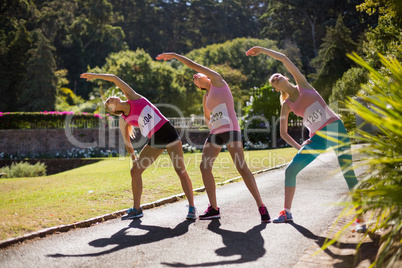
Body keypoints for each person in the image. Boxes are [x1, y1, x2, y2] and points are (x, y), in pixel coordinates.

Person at [246, 46, 366, 232]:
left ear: (285, 78)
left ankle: (361, 219)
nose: (276, 78)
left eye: (278, 76)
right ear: (276, 88)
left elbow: (284, 57)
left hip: (335, 129)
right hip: (316, 138)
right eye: (273, 81)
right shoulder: (287, 105)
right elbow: (283, 133)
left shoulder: (303, 85)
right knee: (290, 170)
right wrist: (299, 146)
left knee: (348, 174)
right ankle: (287, 212)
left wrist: (261, 49)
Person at [156, 53, 270, 223]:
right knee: (204, 166)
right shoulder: (206, 97)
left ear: (206, 77)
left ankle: (261, 206)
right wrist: (212, 127)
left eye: (198, 75)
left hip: (230, 129)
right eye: (194, 80)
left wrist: (174, 55)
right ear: (199, 87)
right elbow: (207, 116)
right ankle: (214, 208)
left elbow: (192, 63)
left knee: (241, 166)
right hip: (216, 132)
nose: (195, 76)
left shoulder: (218, 82)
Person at [80, 73, 196, 220]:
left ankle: (192, 207)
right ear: (113, 111)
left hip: (168, 131)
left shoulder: (133, 97)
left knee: (181, 171)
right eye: (107, 104)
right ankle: (136, 209)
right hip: (155, 140)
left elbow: (115, 78)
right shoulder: (124, 120)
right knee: (135, 171)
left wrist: (95, 76)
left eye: (109, 99)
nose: (109, 100)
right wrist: (133, 157)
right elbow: (127, 141)